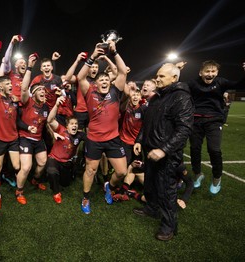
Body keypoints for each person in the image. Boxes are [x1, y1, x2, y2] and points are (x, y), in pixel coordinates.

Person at [133, 63, 194, 241]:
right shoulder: (156, 97)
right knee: (150, 183)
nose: (157, 79)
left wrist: (164, 149)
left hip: (167, 155)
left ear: (174, 78)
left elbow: (184, 130)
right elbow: (147, 123)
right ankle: (151, 208)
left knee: (167, 191)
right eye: (157, 76)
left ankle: (169, 226)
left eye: (161, 76)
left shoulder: (181, 97)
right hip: (150, 150)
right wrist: (139, 140)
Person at [76, 40, 128, 214]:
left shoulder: (115, 91)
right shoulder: (89, 91)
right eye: (101, 80)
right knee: (90, 170)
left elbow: (122, 71)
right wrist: (92, 56)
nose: (104, 81)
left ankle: (109, 186)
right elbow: (80, 77)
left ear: (110, 82)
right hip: (94, 139)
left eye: (107, 79)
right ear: (96, 84)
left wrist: (114, 52)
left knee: (121, 172)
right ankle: (86, 197)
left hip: (113, 139)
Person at [183, 60, 245, 194]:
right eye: (207, 71)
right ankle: (198, 174)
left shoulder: (221, 82)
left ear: (217, 73)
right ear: (201, 73)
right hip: (195, 120)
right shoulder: (193, 84)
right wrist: (177, 70)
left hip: (214, 121)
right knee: (194, 148)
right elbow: (177, 87)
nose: (210, 74)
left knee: (214, 149)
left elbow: (241, 85)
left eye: (213, 71)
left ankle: (217, 177)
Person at [0, 41, 20, 211]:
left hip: (13, 138)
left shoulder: (13, 100)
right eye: (7, 84)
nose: (11, 85)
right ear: (0, 86)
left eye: (11, 83)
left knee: (17, 166)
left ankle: (19, 191)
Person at [14, 54, 49, 205]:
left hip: (38, 140)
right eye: (40, 90)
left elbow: (48, 122)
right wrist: (29, 66)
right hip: (25, 138)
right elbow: (23, 89)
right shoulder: (27, 102)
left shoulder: (46, 106)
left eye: (44, 90)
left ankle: (35, 180)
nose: (43, 92)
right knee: (26, 167)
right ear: (33, 93)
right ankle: (19, 191)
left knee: (42, 163)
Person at [46, 95, 86, 203]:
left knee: (65, 183)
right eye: (72, 124)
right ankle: (56, 192)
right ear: (67, 126)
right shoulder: (61, 129)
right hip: (54, 159)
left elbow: (91, 140)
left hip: (67, 162)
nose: (74, 126)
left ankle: (62, 176)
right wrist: (56, 105)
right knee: (52, 171)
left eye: (76, 124)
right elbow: (49, 120)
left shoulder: (80, 135)